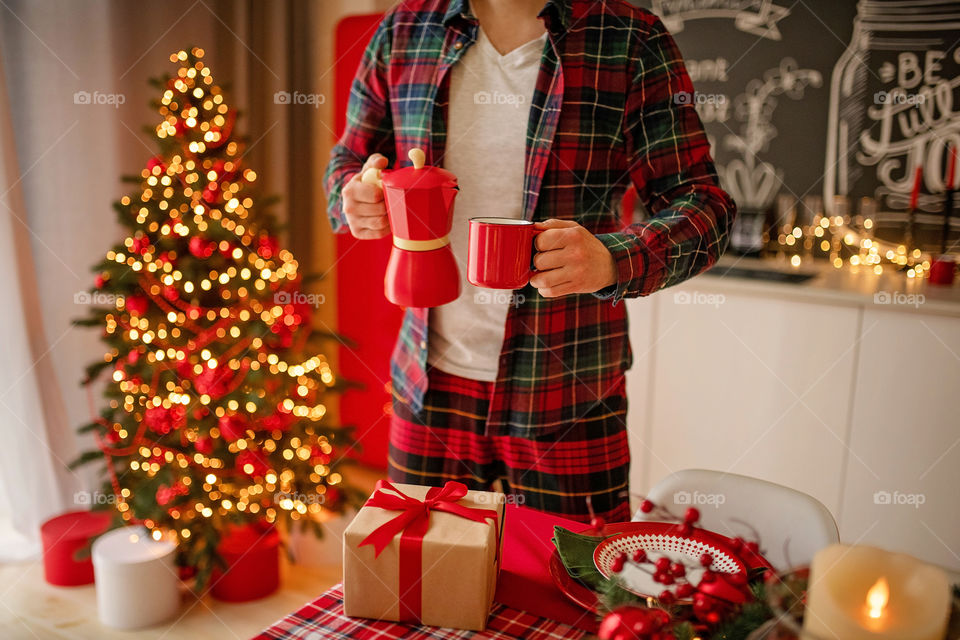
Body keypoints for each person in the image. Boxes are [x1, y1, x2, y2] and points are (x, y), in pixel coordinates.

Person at [324, 0, 735, 523]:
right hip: (428, 386)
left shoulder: (630, 37)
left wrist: (612, 259)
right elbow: (347, 164)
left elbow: (705, 205)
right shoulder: (405, 29)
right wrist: (352, 195)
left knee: (576, 574)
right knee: (424, 570)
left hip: (570, 387)